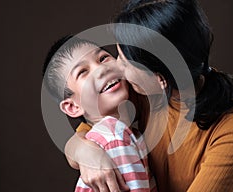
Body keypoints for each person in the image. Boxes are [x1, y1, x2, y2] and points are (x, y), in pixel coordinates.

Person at [66, 0, 233, 191]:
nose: (116, 67)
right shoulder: (140, 89)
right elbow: (84, 132)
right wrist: (88, 155)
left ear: (159, 79)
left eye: (125, 61)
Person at [42, 35, 157, 191]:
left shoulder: (119, 133)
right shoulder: (114, 136)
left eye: (103, 58)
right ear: (73, 107)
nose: (101, 69)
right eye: (83, 72)